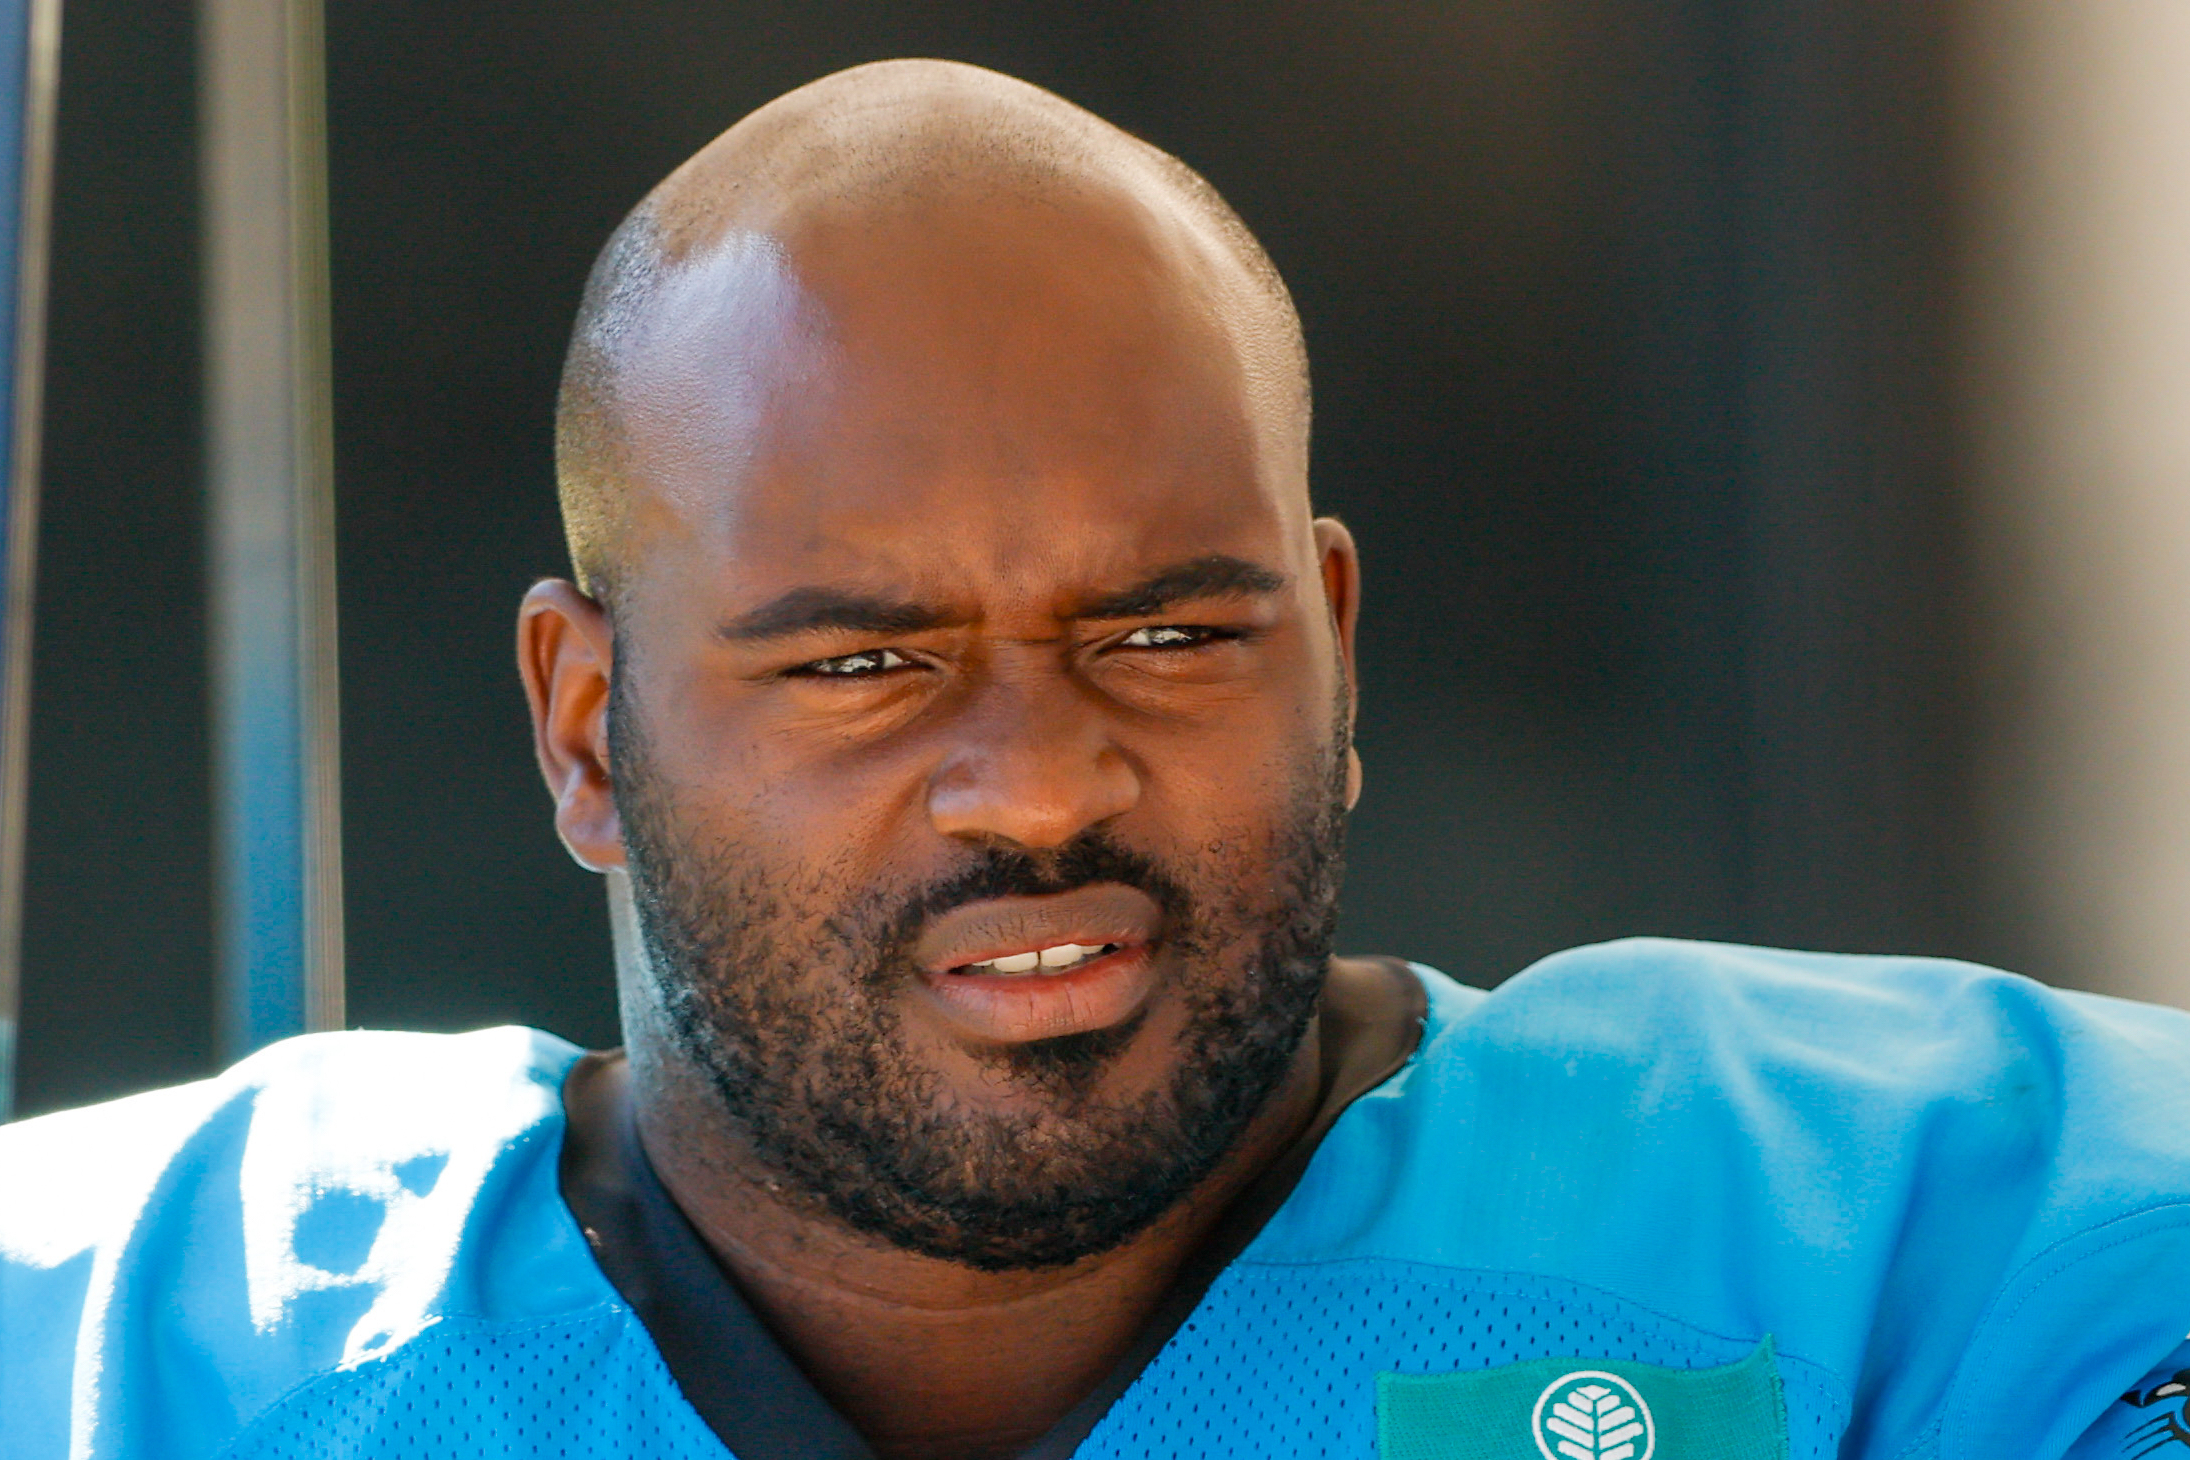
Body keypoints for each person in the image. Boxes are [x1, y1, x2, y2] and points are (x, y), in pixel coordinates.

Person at [5, 57, 2190, 1460]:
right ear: (590, 725)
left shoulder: (1874, 1227)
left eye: (1165, 632)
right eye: (866, 662)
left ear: (1328, 642)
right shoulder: (145, 1344)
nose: (1040, 785)